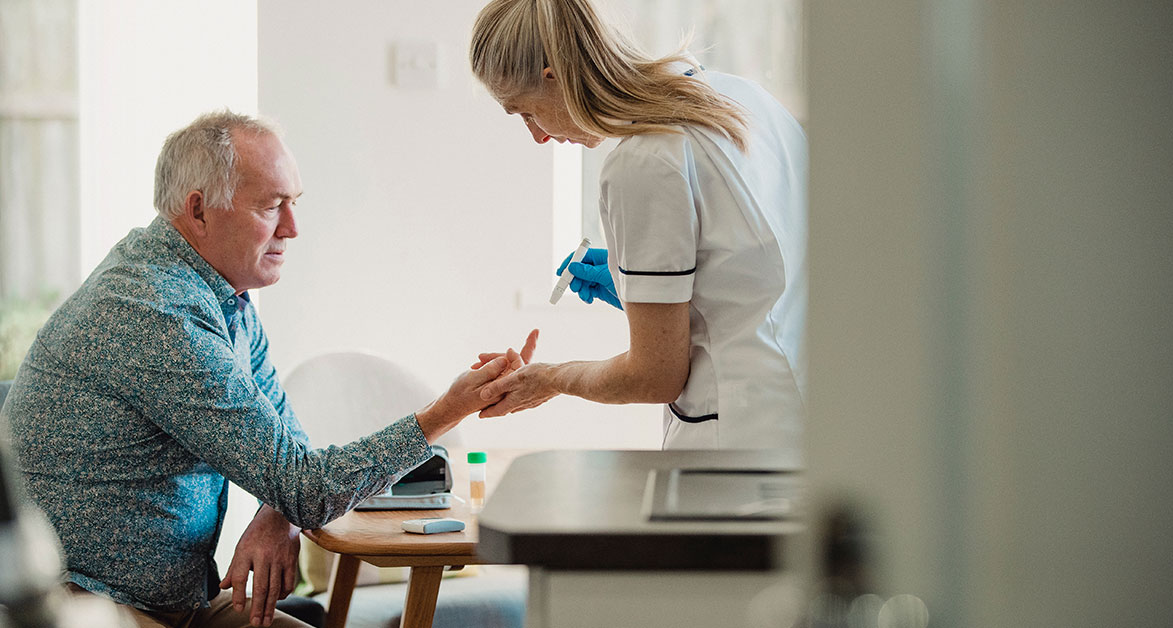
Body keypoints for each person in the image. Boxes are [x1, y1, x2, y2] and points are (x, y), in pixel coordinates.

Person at [0, 111, 512, 628]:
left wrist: (277, 511)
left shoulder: (226, 299)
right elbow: (307, 486)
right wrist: (449, 410)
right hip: (90, 607)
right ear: (198, 210)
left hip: (181, 604)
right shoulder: (155, 310)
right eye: (272, 207)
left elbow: (291, 458)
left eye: (294, 203)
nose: (292, 228)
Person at [468, 0, 806, 449]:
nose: (538, 135)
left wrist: (549, 379)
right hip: (808, 414)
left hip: (739, 444)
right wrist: (644, 290)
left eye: (526, 111)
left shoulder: (642, 161)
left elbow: (654, 378)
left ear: (556, 77)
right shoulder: (742, 98)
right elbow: (753, 274)